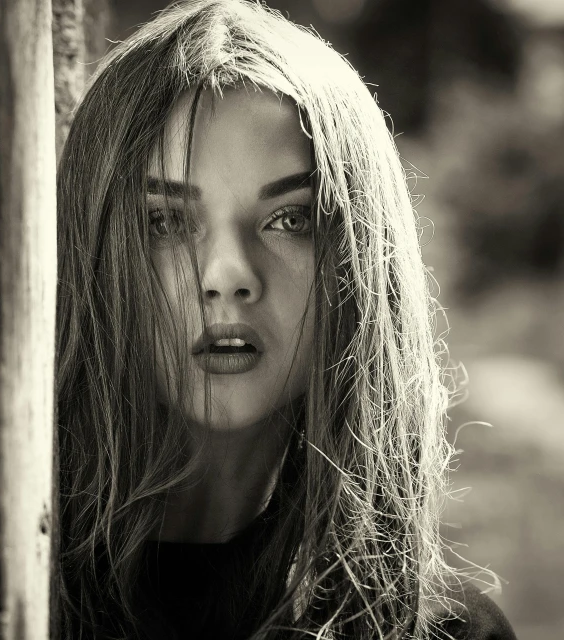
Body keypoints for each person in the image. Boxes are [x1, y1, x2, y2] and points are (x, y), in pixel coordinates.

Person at [55, 1, 517, 638]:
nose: (227, 274)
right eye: (164, 221)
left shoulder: (441, 630)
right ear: (91, 251)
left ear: (359, 262)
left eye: (290, 220)